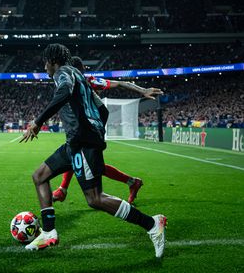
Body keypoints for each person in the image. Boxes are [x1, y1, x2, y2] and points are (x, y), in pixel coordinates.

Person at [20, 44, 166, 258]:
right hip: (76, 142)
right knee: (39, 176)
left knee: (95, 199)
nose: (44, 67)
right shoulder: (80, 78)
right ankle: (49, 232)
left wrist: (38, 122)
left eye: (45, 63)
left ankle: (153, 224)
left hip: (83, 142)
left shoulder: (63, 74)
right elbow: (102, 110)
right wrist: (96, 129)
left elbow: (64, 92)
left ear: (52, 62)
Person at [53, 56, 164, 204]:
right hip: (87, 129)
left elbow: (118, 83)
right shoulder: (71, 83)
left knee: (83, 159)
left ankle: (63, 190)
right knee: (84, 159)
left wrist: (142, 90)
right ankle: (132, 182)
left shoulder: (87, 81)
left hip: (93, 130)